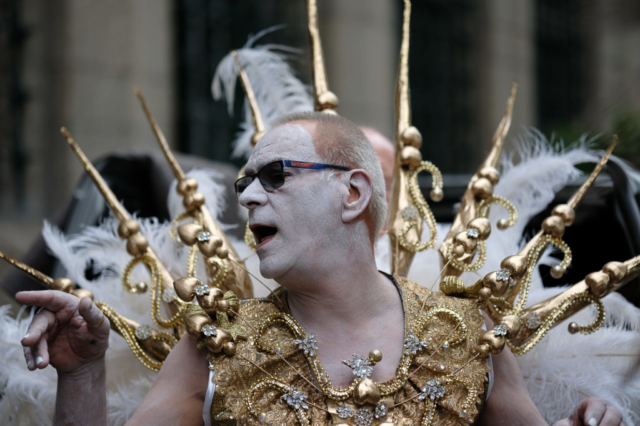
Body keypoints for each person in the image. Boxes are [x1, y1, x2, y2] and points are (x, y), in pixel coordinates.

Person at [17, 112, 626, 425]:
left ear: (355, 193)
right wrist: (83, 374)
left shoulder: (470, 336)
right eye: (244, 182)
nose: (250, 197)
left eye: (275, 175)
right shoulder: (213, 348)